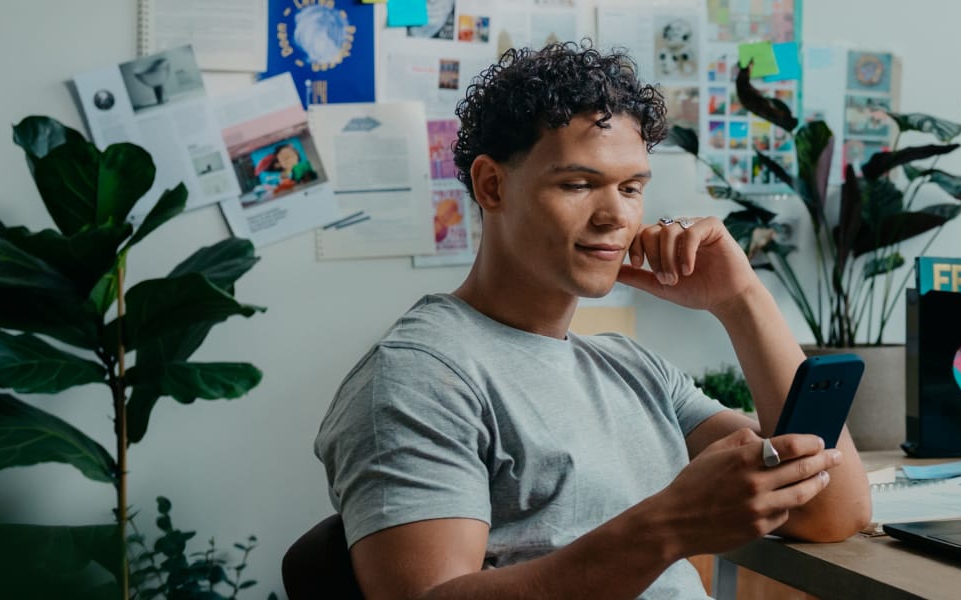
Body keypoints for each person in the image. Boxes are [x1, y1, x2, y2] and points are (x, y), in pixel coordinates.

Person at [313, 42, 870, 600]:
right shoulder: (419, 376)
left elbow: (832, 513)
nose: (615, 217)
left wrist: (741, 300)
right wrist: (669, 526)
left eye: (631, 188)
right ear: (492, 186)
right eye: (578, 184)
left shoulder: (633, 367)